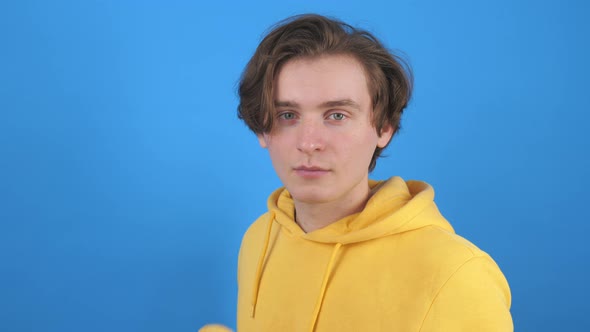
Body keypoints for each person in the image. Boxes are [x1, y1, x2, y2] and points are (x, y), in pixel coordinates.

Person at [202, 13, 512, 332]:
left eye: (337, 115)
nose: (309, 142)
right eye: (287, 115)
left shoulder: (457, 275)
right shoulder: (259, 238)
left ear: (384, 127)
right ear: (262, 130)